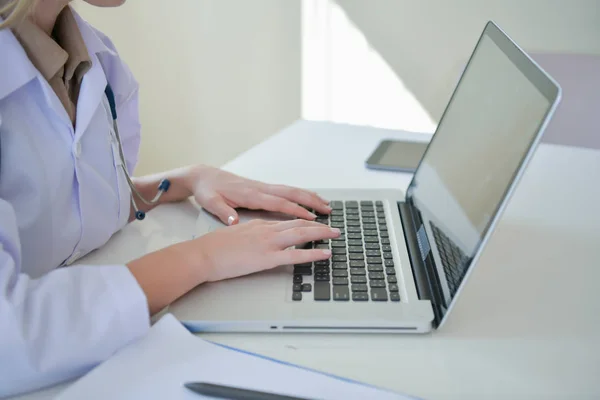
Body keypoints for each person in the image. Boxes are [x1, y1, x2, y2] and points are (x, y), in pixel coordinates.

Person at [0, 0, 339, 396]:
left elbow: (68, 209)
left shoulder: (83, 52)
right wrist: (203, 257)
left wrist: (187, 180)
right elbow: (12, 337)